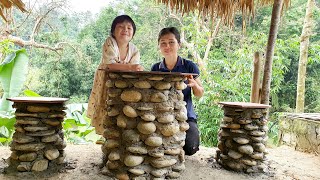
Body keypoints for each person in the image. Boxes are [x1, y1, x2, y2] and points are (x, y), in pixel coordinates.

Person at [87, 15, 143, 142]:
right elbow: (110, 65)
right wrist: (131, 67)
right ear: (113, 31)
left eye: (129, 27)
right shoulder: (109, 42)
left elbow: (135, 68)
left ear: (133, 33)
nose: (125, 30)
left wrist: (132, 68)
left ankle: (118, 132)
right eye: (121, 27)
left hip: (124, 81)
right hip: (106, 79)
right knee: (105, 102)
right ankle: (104, 133)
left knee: (121, 104)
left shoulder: (135, 49)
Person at [151, 27, 204, 155]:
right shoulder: (155, 68)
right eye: (163, 43)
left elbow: (200, 93)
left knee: (191, 147)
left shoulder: (189, 66)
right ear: (159, 46)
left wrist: (194, 86)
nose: (167, 46)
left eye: (171, 42)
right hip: (161, 114)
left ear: (178, 45)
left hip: (186, 115)